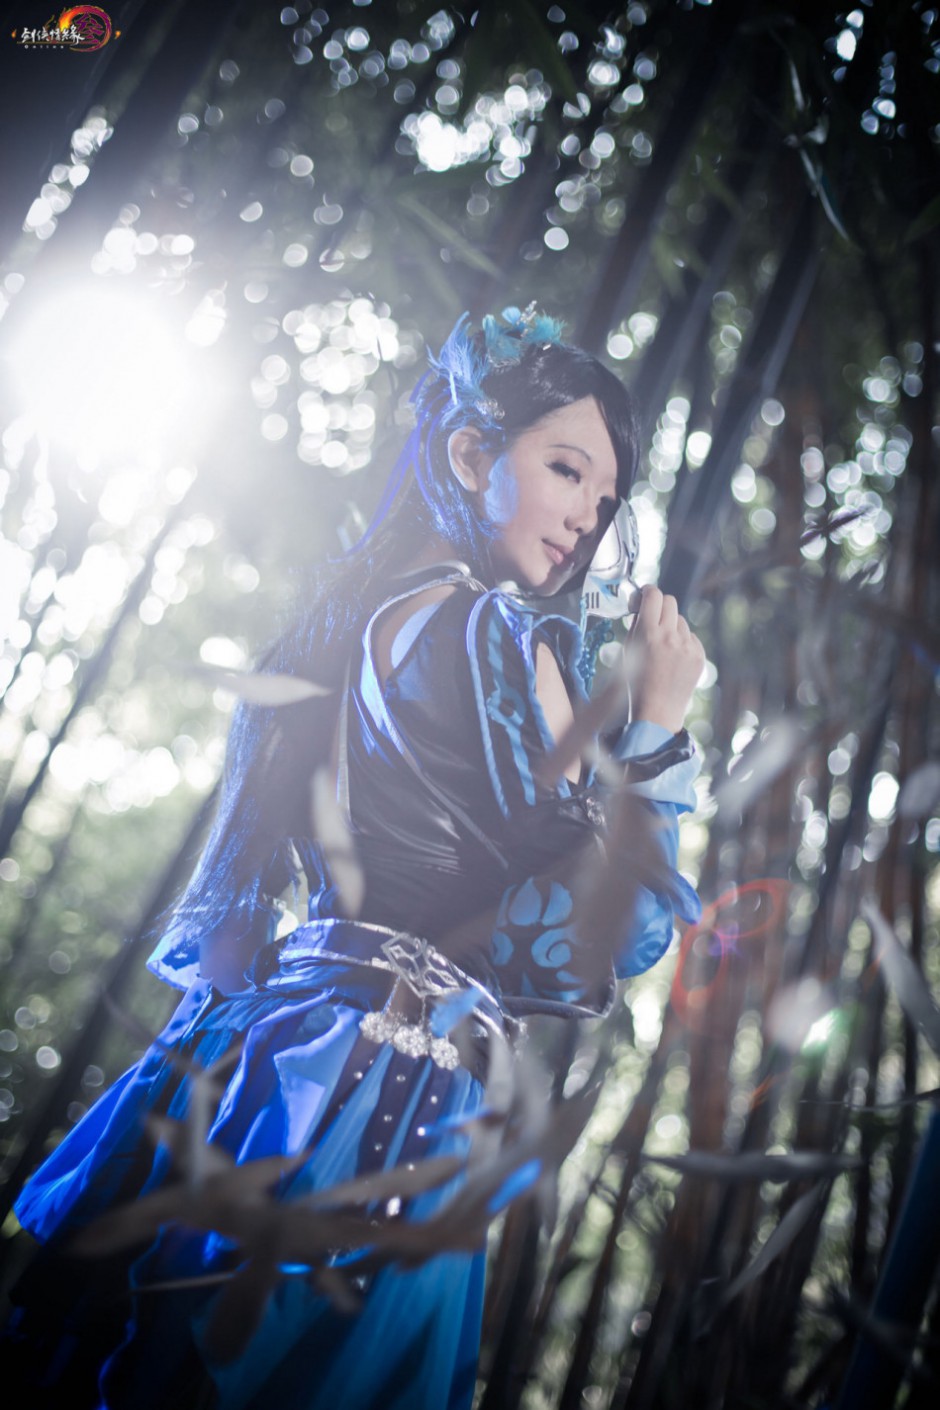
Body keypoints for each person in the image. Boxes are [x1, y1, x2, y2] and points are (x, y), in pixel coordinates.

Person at [5, 306, 705, 1408]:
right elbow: (592, 945)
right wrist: (659, 729)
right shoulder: (492, 631)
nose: (587, 518)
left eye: (606, 500)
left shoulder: (356, 621)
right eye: (567, 470)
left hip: (282, 1053)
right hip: (383, 1098)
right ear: (470, 455)